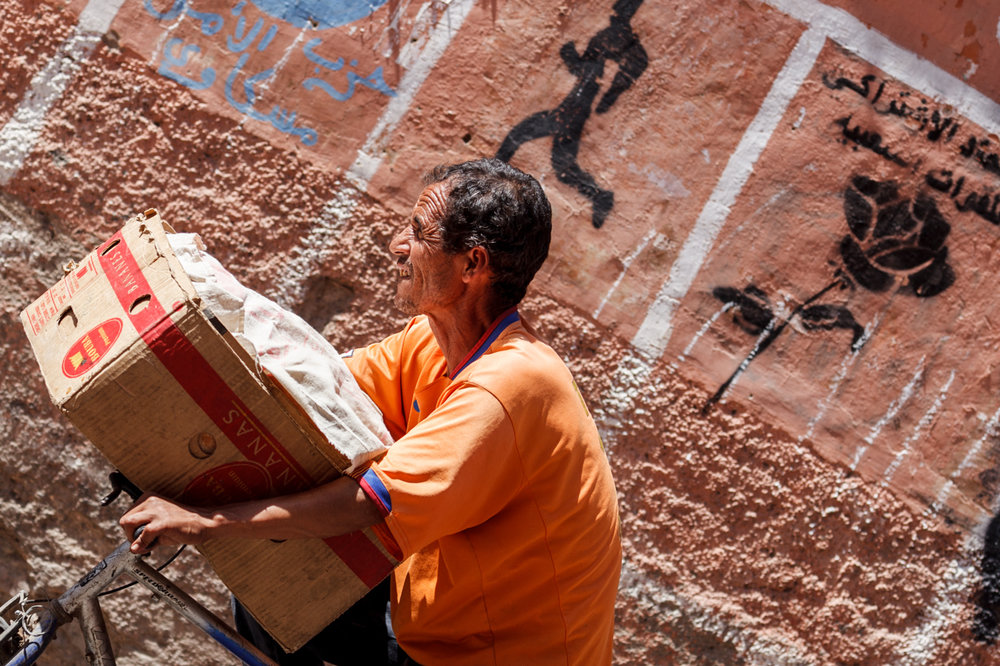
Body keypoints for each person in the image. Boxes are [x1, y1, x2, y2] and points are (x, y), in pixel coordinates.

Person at [120, 157, 623, 664]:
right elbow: (314, 391)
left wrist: (208, 520)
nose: (397, 246)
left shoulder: (510, 384)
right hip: (433, 620)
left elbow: (368, 504)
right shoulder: (430, 342)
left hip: (490, 655)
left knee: (283, 583)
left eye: (418, 232)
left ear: (472, 264)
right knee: (276, 599)